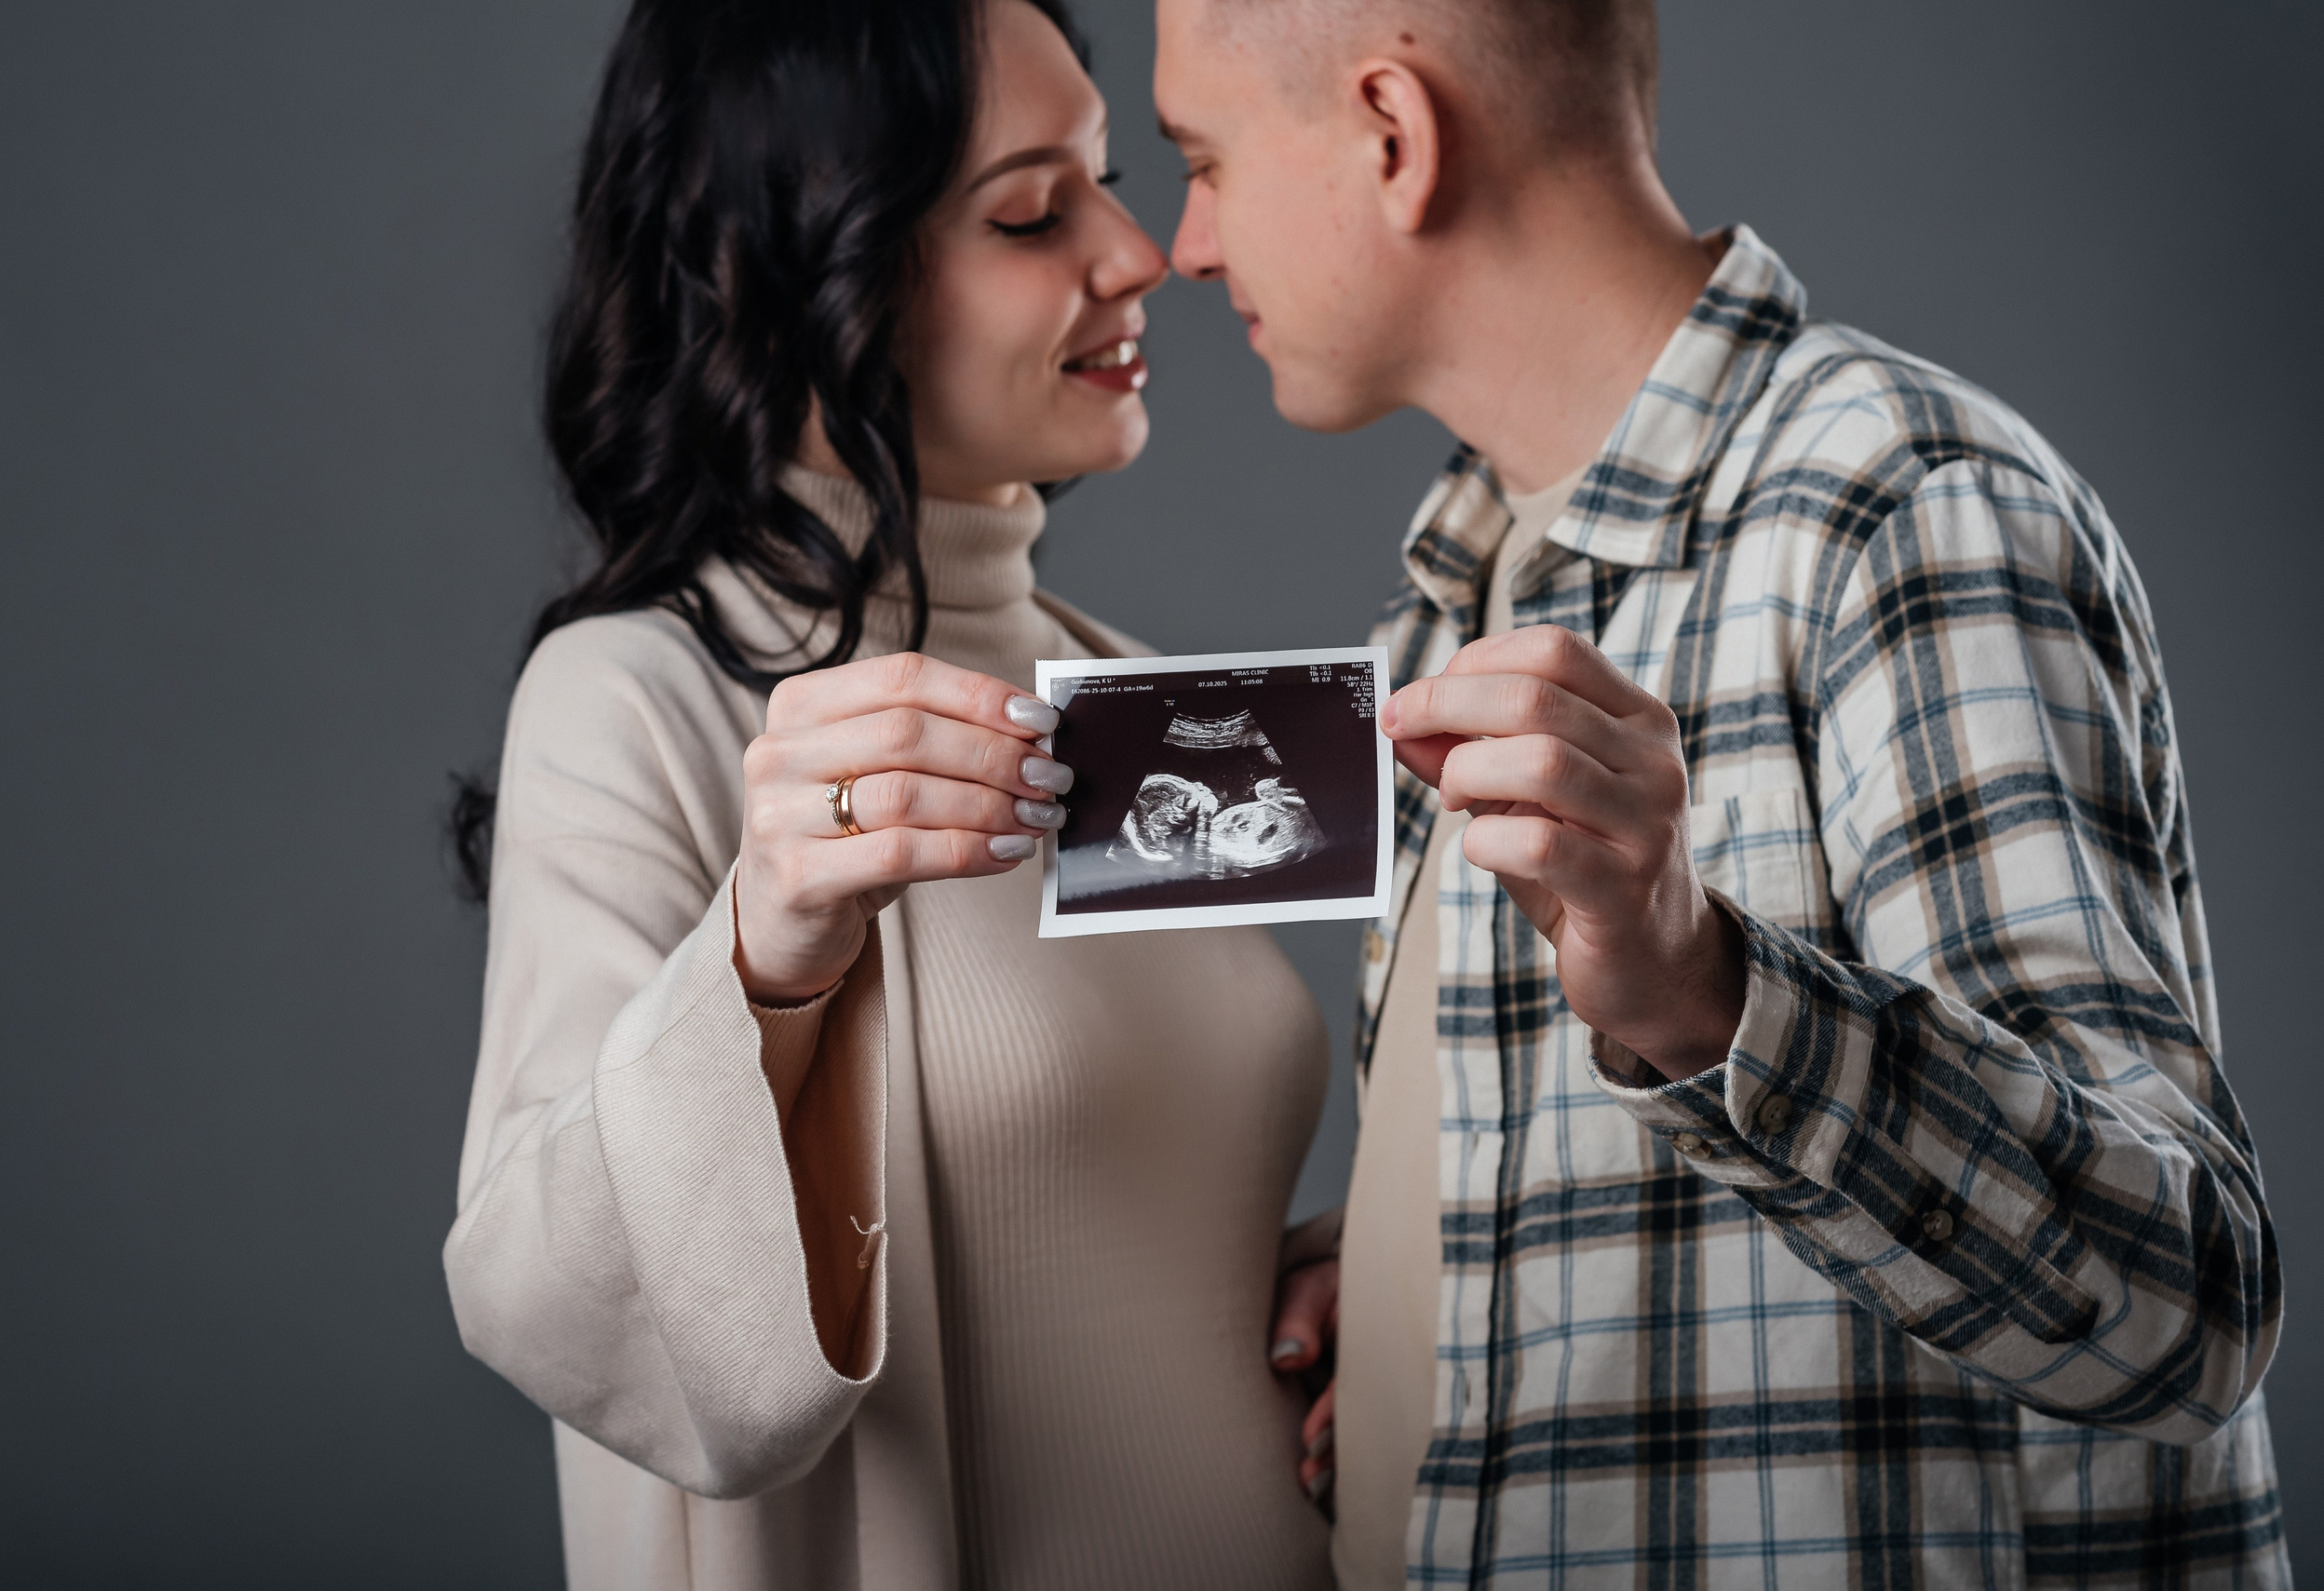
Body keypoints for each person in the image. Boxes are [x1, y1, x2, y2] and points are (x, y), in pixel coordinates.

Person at [1153, 0, 2288, 1584]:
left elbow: (2189, 1305)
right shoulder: (1445, 609)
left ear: (1394, 137)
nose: (1183, 246)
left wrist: (1711, 996)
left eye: (1201, 160)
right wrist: (1444, 1259)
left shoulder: (1901, 514)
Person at [442, 2, 1336, 1586]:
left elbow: (1111, 1221)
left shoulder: (1126, 694)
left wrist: (1334, 1284)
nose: (1137, 255)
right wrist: (767, 953)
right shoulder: (639, 700)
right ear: (804, 268)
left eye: (1110, 181)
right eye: (1028, 210)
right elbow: (553, 1295)